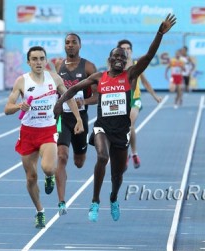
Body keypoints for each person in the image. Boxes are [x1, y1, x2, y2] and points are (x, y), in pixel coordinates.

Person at [54, 14, 176, 222]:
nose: (119, 60)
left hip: (122, 131)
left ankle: (113, 197)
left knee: (118, 174)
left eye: (123, 57)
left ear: (126, 61)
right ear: (109, 60)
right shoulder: (99, 77)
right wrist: (59, 103)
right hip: (102, 127)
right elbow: (73, 89)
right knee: (102, 157)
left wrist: (159, 34)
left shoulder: (129, 75)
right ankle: (94, 201)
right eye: (115, 57)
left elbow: (148, 55)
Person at [4, 46, 84, 229]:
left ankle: (50, 177)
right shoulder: (21, 81)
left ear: (46, 60)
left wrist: (78, 118)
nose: (38, 62)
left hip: (48, 129)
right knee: (31, 177)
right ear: (28, 62)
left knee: (48, 168)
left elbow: (69, 97)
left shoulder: (54, 78)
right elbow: (7, 108)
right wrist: (19, 107)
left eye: (41, 58)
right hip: (28, 133)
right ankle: (40, 211)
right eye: (35, 59)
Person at [53, 33, 98, 215]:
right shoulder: (58, 66)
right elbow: (55, 91)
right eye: (67, 43)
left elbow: (97, 96)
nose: (70, 45)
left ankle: (79, 153)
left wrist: (84, 102)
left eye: (73, 43)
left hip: (80, 118)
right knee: (62, 156)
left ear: (80, 45)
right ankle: (61, 202)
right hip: (63, 118)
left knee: (79, 162)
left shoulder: (88, 67)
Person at [116, 39, 162, 169]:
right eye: (123, 48)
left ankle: (133, 153)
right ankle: (126, 153)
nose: (126, 50)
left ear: (131, 50)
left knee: (129, 125)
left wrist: (155, 96)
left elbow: (145, 82)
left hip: (134, 99)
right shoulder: (116, 66)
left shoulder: (137, 65)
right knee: (120, 130)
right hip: (119, 100)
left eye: (128, 48)